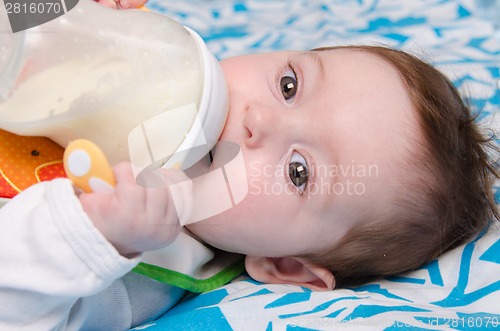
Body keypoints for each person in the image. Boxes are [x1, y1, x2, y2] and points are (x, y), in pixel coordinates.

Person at [0, 1, 498, 329]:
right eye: (288, 87)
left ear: (285, 266)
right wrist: (63, 10)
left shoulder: (147, 271)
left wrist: (89, 239)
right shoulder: (134, 66)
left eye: (298, 172)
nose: (259, 121)